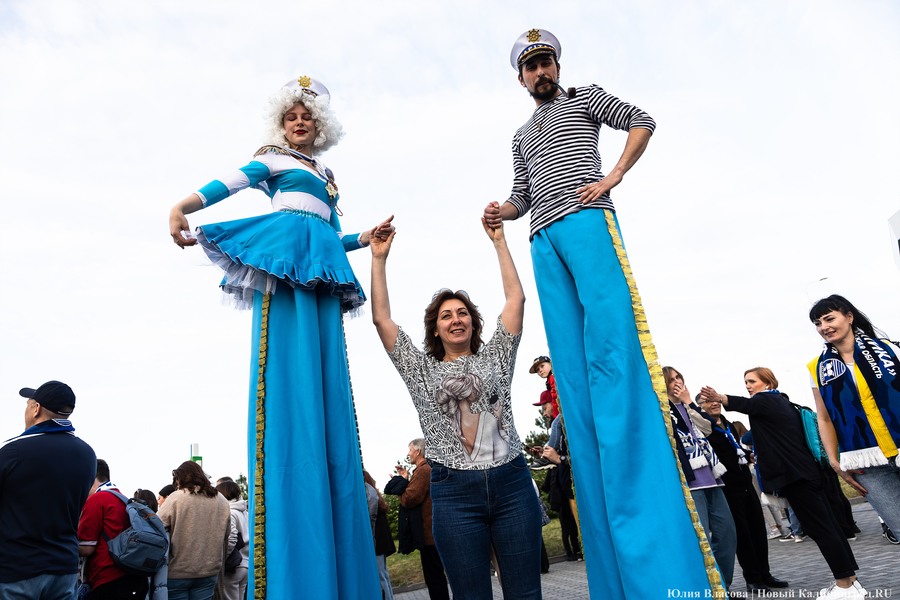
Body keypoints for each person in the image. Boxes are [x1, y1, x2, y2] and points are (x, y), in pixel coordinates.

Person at [482, 29, 718, 598]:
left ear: (557, 65)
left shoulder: (585, 97)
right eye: (530, 66)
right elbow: (521, 192)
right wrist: (501, 213)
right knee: (574, 365)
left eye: (545, 62)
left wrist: (612, 176)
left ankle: (648, 496)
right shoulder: (519, 133)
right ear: (519, 77)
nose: (540, 72)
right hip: (542, 238)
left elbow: (642, 120)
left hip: (587, 222)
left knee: (613, 348)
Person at [167, 75, 391, 599]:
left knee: (326, 367)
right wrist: (185, 205)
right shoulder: (273, 158)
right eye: (291, 115)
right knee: (289, 362)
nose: (299, 121)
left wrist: (367, 238)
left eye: (307, 116)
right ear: (280, 122)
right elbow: (232, 182)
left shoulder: (327, 176)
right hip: (287, 258)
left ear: (320, 126)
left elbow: (332, 236)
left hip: (319, 263)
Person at [371, 215, 541, 599]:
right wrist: (378, 259)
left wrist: (499, 240)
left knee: (526, 593)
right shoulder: (420, 369)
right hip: (454, 493)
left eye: (462, 312)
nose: (456, 318)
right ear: (436, 328)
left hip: (512, 484)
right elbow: (382, 319)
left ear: (473, 322)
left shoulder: (497, 356)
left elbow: (517, 299)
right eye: (446, 315)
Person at [701, 368, 866, 600]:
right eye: (745, 382)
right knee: (831, 528)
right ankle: (851, 581)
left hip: (795, 477)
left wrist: (720, 398)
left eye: (752, 381)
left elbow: (744, 405)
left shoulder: (765, 400)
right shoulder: (781, 401)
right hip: (807, 473)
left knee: (822, 530)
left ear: (767, 383)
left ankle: (845, 586)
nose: (748, 386)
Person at [808, 295, 900, 542]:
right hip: (866, 463)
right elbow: (825, 419)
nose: (823, 327)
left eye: (829, 318)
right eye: (818, 323)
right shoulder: (818, 368)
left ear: (849, 317)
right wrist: (835, 462)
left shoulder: (889, 350)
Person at [0, 381, 96, 599]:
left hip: (18, 569)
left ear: (36, 409)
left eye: (28, 404)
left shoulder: (13, 451)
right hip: (64, 569)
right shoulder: (87, 454)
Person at [696, 392, 789, 594]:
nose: (714, 404)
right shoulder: (705, 428)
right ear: (700, 406)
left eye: (716, 400)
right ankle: (753, 579)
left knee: (758, 530)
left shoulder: (728, 424)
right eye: (708, 402)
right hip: (728, 487)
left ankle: (765, 575)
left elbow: (734, 449)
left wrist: (749, 455)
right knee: (743, 535)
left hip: (746, 482)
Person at [663, 367, 736, 593]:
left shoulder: (688, 406)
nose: (676, 382)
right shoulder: (661, 410)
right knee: (700, 539)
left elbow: (707, 427)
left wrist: (689, 403)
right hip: (689, 481)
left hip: (711, 477)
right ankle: (709, 590)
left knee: (727, 534)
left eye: (678, 377)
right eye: (671, 379)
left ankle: (723, 585)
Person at [384, 440, 449, 600]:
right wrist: (405, 479)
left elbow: (409, 499)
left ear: (418, 451)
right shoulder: (422, 470)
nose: (408, 454)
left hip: (429, 537)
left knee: (434, 579)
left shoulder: (422, 470)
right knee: (436, 577)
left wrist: (400, 485)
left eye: (410, 450)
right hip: (431, 535)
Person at [157, 461, 231, 600]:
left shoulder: (176, 498)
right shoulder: (221, 500)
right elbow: (226, 534)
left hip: (178, 571)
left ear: (181, 478)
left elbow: (157, 526)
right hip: (209, 571)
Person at [78, 459, 151, 599]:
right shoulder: (124, 499)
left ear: (91, 477)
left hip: (109, 580)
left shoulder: (97, 500)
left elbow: (86, 547)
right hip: (136, 577)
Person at [363, 471, 396, 600]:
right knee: (384, 575)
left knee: (380, 576)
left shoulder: (371, 499)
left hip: (378, 543)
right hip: (382, 543)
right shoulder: (377, 498)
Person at [215, 480, 249, 600]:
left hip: (234, 565)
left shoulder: (230, 512)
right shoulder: (245, 512)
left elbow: (231, 537)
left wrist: (223, 558)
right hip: (246, 564)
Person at [529, 391, 558, 471]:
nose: (544, 414)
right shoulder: (556, 431)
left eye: (545, 409)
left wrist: (558, 458)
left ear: (554, 403)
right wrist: (544, 454)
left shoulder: (566, 428)